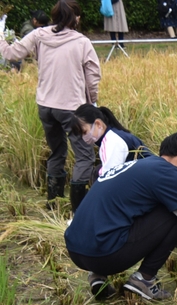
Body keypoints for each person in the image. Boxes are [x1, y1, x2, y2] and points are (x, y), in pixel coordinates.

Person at [64, 132, 177, 301]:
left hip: (77, 251)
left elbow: (156, 230)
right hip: (104, 253)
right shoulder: (170, 175)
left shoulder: (138, 166)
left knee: (158, 213)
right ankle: (144, 279)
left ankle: (98, 275)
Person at [0, 0, 100, 211]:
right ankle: (78, 207)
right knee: (85, 156)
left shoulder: (39, 35)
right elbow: (93, 75)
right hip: (72, 107)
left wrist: (0, 32)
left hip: (45, 106)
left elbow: (10, 54)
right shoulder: (82, 42)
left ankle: (53, 203)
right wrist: (92, 102)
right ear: (77, 18)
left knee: (57, 152)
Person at [71, 104, 156, 192]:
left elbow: (109, 180)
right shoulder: (114, 135)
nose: (84, 137)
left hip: (147, 186)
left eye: (84, 132)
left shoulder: (112, 141)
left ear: (98, 124)